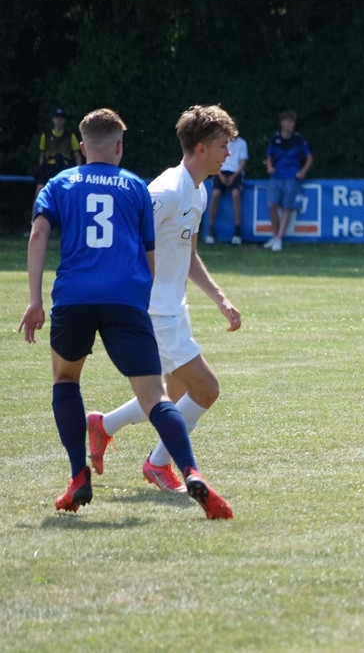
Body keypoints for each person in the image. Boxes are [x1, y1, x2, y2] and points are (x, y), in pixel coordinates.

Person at [18, 108, 232, 519]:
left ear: (82, 148)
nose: (228, 154)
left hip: (78, 296)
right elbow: (145, 249)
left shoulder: (62, 182)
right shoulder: (140, 187)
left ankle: (80, 472)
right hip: (136, 304)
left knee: (67, 380)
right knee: (166, 394)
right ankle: (183, 468)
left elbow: (39, 231)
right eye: (224, 146)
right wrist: (142, 297)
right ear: (119, 146)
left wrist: (34, 299)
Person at [86, 105, 242, 495]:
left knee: (171, 395)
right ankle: (158, 463)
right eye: (223, 145)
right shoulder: (167, 191)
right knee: (206, 389)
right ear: (202, 147)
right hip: (155, 312)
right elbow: (125, 239)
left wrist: (219, 298)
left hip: (174, 308)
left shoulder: (198, 190)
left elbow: (187, 254)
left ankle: (103, 425)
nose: (228, 153)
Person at [264, 110, 313, 251]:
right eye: (289, 122)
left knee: (287, 207)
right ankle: (275, 236)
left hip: (291, 177)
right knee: (272, 205)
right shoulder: (275, 138)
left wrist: (302, 172)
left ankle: (279, 238)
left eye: (293, 122)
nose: (292, 125)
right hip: (276, 176)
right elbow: (269, 155)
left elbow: (309, 158)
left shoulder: (298, 139)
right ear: (282, 123)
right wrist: (269, 167)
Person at [206, 118, 249, 245]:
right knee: (215, 194)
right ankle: (210, 228)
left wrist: (234, 176)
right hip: (221, 171)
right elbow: (215, 160)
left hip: (235, 173)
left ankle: (237, 230)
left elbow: (243, 163)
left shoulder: (242, 143)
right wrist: (220, 175)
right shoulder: (220, 142)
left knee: (236, 194)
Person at [34, 108, 83, 198]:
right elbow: (42, 154)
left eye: (61, 118)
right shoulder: (46, 136)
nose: (59, 121)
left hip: (65, 167)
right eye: (57, 118)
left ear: (64, 120)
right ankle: (36, 207)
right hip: (49, 166)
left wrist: (78, 172)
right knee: (40, 189)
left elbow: (77, 156)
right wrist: (41, 168)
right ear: (53, 119)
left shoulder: (70, 136)